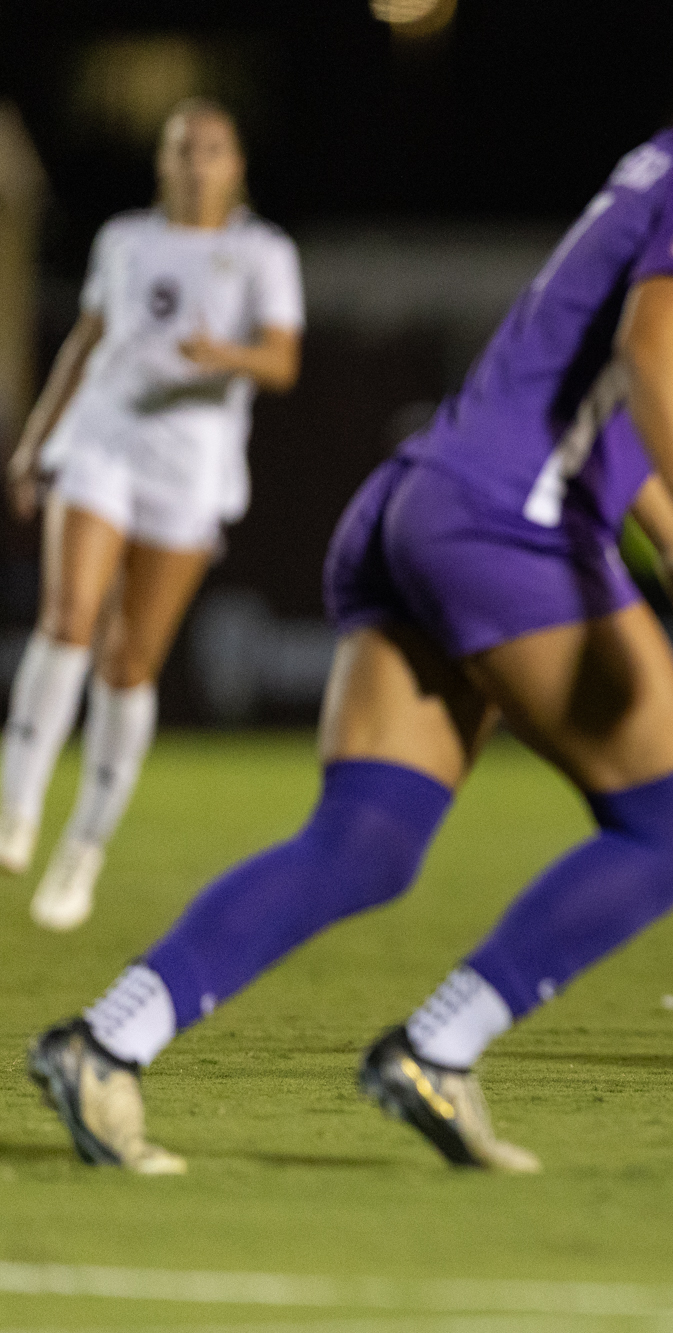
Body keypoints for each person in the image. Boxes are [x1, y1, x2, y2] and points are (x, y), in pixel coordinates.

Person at [25, 0, 673, 1174]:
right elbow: (650, 352)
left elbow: (596, 392)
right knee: (669, 825)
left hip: (420, 501)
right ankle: (439, 1047)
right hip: (501, 527)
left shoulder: (661, 164)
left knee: (367, 837)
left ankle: (106, 1044)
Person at [2, 100, 302, 931]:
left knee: (128, 662)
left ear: (236, 163)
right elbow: (85, 340)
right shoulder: (125, 239)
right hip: (103, 442)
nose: (197, 162)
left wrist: (224, 356)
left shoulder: (261, 252)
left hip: (191, 468)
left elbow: (282, 360)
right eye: (182, 148)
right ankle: (15, 807)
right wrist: (36, 441)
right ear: (162, 162)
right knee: (67, 616)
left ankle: (83, 848)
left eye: (212, 148)